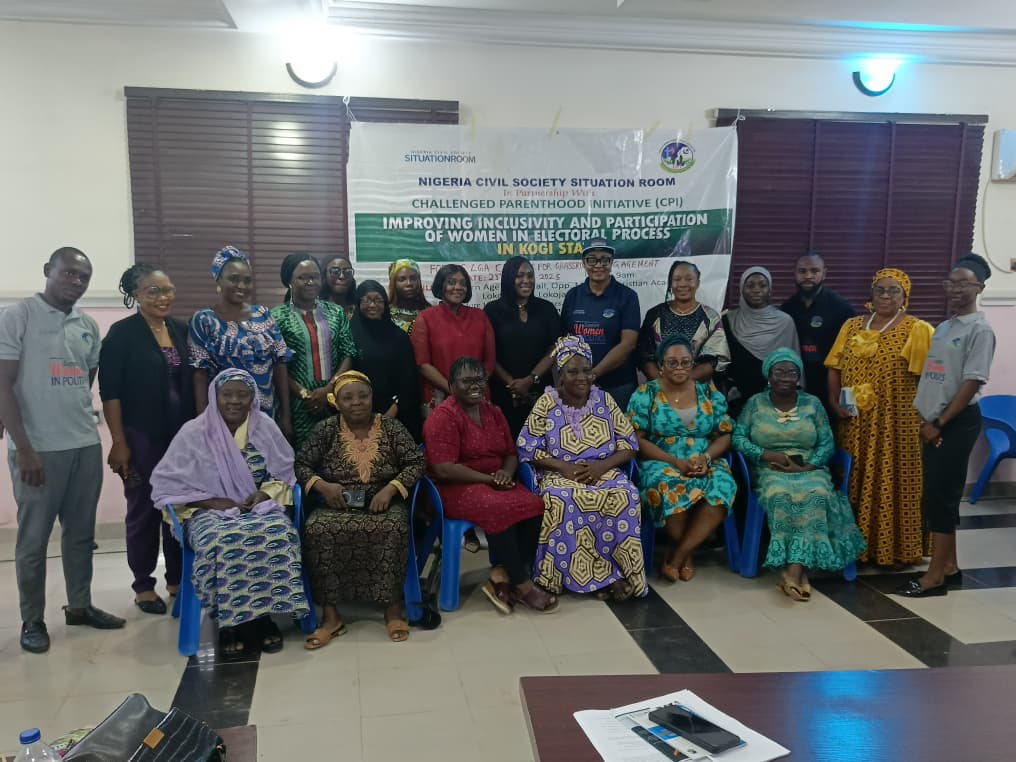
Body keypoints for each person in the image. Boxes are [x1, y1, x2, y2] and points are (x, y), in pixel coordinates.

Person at [0, 247, 126, 653]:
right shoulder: (17, 316)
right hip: (38, 449)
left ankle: (81, 605)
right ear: (47, 271)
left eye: (82, 277)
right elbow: (3, 385)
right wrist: (25, 448)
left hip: (83, 445)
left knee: (80, 535)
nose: (75, 281)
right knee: (33, 540)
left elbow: (84, 379)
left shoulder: (87, 323)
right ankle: (32, 620)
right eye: (68, 273)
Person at [150, 369, 308, 657]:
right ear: (215, 395)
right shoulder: (193, 433)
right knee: (221, 540)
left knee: (279, 533)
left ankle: (264, 618)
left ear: (252, 398)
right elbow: (166, 485)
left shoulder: (265, 427)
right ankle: (228, 624)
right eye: (227, 394)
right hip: (206, 512)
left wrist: (265, 493)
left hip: (257, 507)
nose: (234, 401)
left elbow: (284, 473)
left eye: (242, 394)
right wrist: (209, 502)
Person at [295, 371, 426, 646]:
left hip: (383, 499)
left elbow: (416, 462)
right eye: (348, 397)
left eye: (363, 396)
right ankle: (331, 617)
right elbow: (302, 465)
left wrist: (390, 489)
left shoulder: (390, 427)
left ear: (372, 398)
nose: (357, 403)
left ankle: (392, 608)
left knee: (392, 526)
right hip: (337, 501)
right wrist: (323, 486)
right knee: (317, 529)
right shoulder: (327, 429)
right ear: (336, 402)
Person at [517, 336, 646, 601]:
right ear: (560, 375)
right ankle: (576, 579)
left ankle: (618, 574)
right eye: (572, 371)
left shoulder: (605, 401)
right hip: (557, 473)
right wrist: (562, 466)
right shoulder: (547, 403)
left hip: (603, 470)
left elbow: (629, 444)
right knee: (563, 499)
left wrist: (602, 467)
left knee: (626, 495)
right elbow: (526, 447)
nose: (582, 377)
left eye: (586, 370)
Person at [423, 356, 555, 613]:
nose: (475, 385)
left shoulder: (493, 411)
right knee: (498, 507)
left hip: (495, 481)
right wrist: (490, 479)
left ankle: (501, 575)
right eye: (467, 381)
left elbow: (510, 453)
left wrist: (505, 473)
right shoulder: (442, 417)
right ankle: (523, 584)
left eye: (480, 379)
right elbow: (443, 468)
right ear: (451, 386)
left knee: (536, 504)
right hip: (454, 487)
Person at [732, 349, 867, 601]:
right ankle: (798, 573)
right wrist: (767, 455)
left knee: (815, 494)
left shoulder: (812, 403)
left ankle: (793, 571)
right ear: (768, 376)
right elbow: (738, 438)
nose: (785, 377)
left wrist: (807, 466)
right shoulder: (755, 403)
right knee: (781, 495)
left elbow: (827, 443)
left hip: (809, 467)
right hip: (769, 468)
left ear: (799, 377)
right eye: (779, 372)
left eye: (792, 372)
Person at [898, 254, 996, 598]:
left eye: (963, 283)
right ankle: (950, 566)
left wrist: (939, 423)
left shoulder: (980, 330)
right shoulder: (945, 326)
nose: (955, 289)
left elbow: (971, 383)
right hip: (933, 422)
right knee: (938, 497)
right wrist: (929, 420)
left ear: (979, 287)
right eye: (950, 282)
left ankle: (935, 576)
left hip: (954, 423)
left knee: (942, 498)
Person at [99, 264, 195, 614]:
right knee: (143, 508)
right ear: (135, 295)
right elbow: (111, 393)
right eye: (153, 291)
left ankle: (176, 578)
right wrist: (119, 441)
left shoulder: (182, 329)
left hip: (180, 439)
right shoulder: (121, 335)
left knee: (179, 507)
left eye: (168, 289)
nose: (163, 297)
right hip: (141, 437)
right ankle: (143, 585)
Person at [825, 268, 933, 567]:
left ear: (904, 296)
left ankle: (894, 548)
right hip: (854, 422)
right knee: (855, 479)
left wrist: (928, 420)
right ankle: (855, 549)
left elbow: (930, 379)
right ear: (871, 294)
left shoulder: (917, 329)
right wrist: (834, 402)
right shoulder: (851, 326)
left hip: (896, 424)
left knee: (893, 479)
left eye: (893, 290)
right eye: (880, 289)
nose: (885, 295)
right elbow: (834, 366)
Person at [628, 334, 737, 582]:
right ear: (661, 365)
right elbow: (636, 438)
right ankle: (685, 555)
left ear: (693, 363)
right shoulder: (646, 393)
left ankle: (678, 555)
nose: (679, 368)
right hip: (662, 460)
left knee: (723, 486)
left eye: (685, 362)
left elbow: (725, 434)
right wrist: (675, 462)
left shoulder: (708, 392)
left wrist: (707, 459)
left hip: (704, 459)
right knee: (668, 486)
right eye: (672, 362)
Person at [188, 245, 293, 438]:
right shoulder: (204, 320)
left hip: (265, 414)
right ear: (218, 279)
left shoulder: (263, 314)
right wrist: (202, 419)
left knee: (262, 465)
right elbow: (199, 375)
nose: (242, 286)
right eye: (234, 279)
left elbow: (280, 365)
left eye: (247, 280)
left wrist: (286, 416)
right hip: (224, 416)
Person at [271, 253, 357, 448]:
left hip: (336, 401)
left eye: (315, 277)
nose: (311, 282)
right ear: (290, 281)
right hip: (297, 405)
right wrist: (305, 394)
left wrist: (328, 391)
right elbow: (277, 364)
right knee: (303, 461)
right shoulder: (277, 317)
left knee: (339, 457)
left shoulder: (335, 313)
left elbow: (348, 353)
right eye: (303, 277)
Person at [484, 256, 560, 436]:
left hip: (541, 392)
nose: (526, 280)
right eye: (519, 276)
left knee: (542, 443)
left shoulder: (546, 308)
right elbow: (488, 352)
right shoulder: (492, 310)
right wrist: (512, 384)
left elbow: (556, 346)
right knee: (507, 444)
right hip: (504, 393)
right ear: (508, 279)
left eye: (530, 275)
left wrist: (531, 379)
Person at [561, 238, 641, 410]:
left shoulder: (627, 296)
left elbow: (628, 343)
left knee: (620, 435)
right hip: (580, 386)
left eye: (604, 259)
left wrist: (594, 373)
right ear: (583, 263)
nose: (598, 265)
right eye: (591, 259)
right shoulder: (572, 297)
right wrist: (579, 377)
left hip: (619, 386)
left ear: (611, 262)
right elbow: (567, 342)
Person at [411, 264, 496, 412]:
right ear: (441, 285)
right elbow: (422, 364)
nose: (458, 287)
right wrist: (454, 390)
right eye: (451, 282)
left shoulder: (480, 316)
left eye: (463, 284)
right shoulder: (425, 318)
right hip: (440, 399)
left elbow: (489, 362)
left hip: (477, 398)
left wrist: (473, 388)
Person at [780, 251, 855, 417]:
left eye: (814, 271)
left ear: (824, 273)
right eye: (802, 271)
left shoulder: (842, 309)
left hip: (831, 385)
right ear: (795, 273)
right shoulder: (787, 308)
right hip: (796, 384)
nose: (808, 276)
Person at [350, 280, 423, 442]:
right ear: (358, 302)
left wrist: (392, 412)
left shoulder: (398, 337)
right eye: (367, 300)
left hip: (396, 413)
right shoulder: (349, 334)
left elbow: (409, 378)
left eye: (378, 300)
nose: (372, 305)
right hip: (356, 414)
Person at [722, 267, 799, 417]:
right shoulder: (729, 320)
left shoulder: (785, 322)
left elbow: (794, 364)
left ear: (769, 289)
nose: (756, 290)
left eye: (762, 285)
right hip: (737, 399)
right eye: (750, 285)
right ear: (741, 289)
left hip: (775, 399)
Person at [638, 260, 729, 385]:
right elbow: (644, 355)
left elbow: (714, 360)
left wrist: (683, 384)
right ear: (670, 283)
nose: (682, 284)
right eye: (677, 279)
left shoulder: (711, 317)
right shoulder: (654, 314)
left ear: (698, 283)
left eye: (689, 279)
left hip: (697, 391)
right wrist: (663, 385)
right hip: (659, 390)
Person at [387, 258, 431, 334]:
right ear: (393, 283)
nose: (409, 283)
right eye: (402, 279)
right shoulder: (385, 314)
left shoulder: (430, 313)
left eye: (413, 278)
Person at [322, 255, 357, 319]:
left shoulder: (360, 308)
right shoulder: (315, 309)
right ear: (325, 275)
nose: (342, 276)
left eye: (347, 272)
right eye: (335, 272)